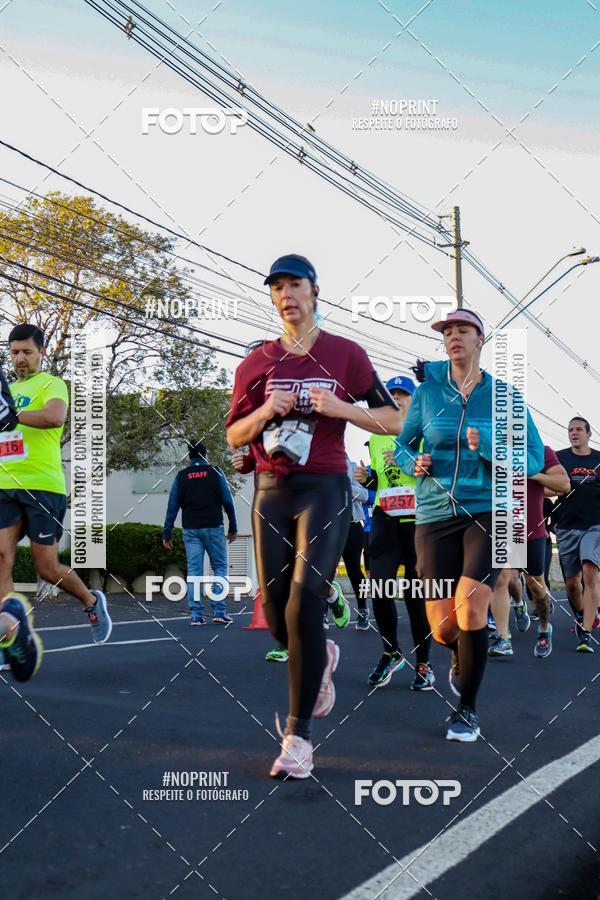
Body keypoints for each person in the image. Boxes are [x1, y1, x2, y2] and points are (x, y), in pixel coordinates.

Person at [226, 253, 402, 778]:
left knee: (304, 601)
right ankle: (319, 655)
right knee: (276, 607)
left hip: (324, 489)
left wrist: (341, 408)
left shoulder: (346, 355)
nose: (286, 295)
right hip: (271, 490)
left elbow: (393, 419)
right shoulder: (255, 364)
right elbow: (235, 434)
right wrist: (266, 411)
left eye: (294, 285)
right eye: (277, 287)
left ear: (315, 290)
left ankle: (298, 737)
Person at [394, 309, 544, 741]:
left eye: (463, 330)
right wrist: (413, 461)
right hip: (435, 513)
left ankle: (467, 711)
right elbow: (402, 446)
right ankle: (461, 650)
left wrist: (491, 446)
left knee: (472, 605)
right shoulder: (427, 393)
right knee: (443, 626)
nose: (454, 337)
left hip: (489, 509)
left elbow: (533, 458)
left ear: (481, 338)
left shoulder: (505, 396)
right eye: (448, 332)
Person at [0, 324, 111, 657]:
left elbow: (54, 416)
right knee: (1, 559)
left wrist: (12, 416)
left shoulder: (52, 384)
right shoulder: (6, 392)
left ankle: (91, 600)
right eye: (14, 352)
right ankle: (10, 641)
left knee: (46, 568)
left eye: (27, 352)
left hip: (43, 488)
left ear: (42, 352)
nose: (20, 358)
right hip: (5, 485)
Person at [356, 375, 435, 691]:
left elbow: (436, 471)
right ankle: (391, 652)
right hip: (385, 518)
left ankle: (424, 664)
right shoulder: (376, 434)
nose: (397, 398)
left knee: (415, 596)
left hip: (419, 520)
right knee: (378, 587)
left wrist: (408, 460)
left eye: (403, 394)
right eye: (392, 393)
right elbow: (382, 479)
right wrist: (367, 478)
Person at [488, 446, 569, 659]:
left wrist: (533, 474)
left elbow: (564, 484)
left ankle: (544, 626)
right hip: (501, 528)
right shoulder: (491, 449)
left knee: (535, 584)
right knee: (502, 579)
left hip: (531, 530)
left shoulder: (539, 451)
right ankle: (503, 638)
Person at [163, 440, 238, 625]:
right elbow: (227, 501)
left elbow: (172, 505)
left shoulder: (181, 476)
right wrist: (233, 527)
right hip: (213, 526)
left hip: (191, 528)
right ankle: (219, 611)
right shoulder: (216, 472)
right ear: (205, 454)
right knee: (219, 567)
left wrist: (167, 532)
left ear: (189, 456)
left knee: (194, 571)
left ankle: (196, 615)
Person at [553, 417, 600, 653]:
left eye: (579, 429)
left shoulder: (598, 459)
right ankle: (582, 613)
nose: (574, 433)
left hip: (595, 524)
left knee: (590, 572)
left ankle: (586, 633)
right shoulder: (559, 457)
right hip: (567, 525)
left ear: (589, 434)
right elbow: (549, 487)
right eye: (570, 429)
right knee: (572, 584)